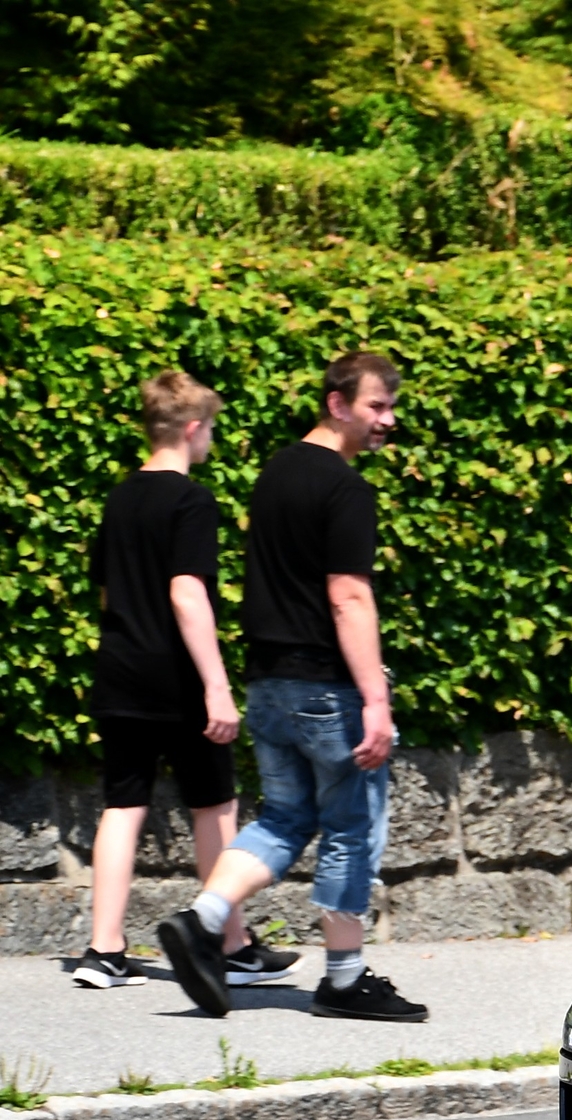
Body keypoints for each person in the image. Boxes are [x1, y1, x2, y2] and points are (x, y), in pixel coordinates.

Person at [155, 353, 426, 1022]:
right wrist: (376, 699)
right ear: (338, 404)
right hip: (326, 687)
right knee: (350, 826)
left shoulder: (275, 472)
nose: (388, 420)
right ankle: (343, 977)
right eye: (376, 406)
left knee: (283, 816)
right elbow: (348, 597)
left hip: (269, 681)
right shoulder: (345, 488)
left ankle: (203, 918)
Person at [74, 373, 295, 989]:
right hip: (174, 678)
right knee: (214, 804)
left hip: (119, 671)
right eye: (213, 429)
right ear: (193, 428)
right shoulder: (190, 500)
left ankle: (104, 951)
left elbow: (107, 589)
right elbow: (187, 593)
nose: (212, 441)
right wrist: (216, 686)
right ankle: (229, 943)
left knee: (122, 806)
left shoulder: (119, 499)